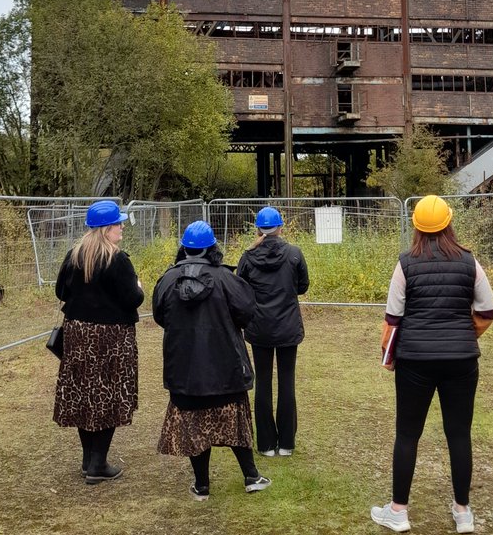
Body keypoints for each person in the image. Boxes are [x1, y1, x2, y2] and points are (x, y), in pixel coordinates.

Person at [371, 195, 493, 535]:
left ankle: (398, 511)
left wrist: (389, 355)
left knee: (407, 434)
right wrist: (464, 335)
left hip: (415, 361)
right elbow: (487, 309)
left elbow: (393, 318)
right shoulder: (470, 262)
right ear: (449, 223)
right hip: (462, 361)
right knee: (459, 434)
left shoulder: (405, 264)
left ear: (416, 226)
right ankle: (463, 512)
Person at [153, 220, 271, 500]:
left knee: (194, 427)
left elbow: (160, 316)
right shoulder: (226, 279)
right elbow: (246, 311)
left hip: (184, 370)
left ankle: (202, 485)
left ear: (184, 248)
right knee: (235, 425)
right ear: (212, 248)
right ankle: (251, 476)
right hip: (225, 366)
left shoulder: (167, 280)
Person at [53, 199, 145, 485]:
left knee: (84, 393)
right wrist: (139, 287)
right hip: (112, 336)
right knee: (109, 394)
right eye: (118, 223)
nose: (121, 228)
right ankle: (97, 463)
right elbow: (133, 298)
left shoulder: (74, 255)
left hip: (78, 334)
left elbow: (61, 291)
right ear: (105, 229)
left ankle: (88, 458)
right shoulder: (118, 260)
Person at [237, 206, 309, 457]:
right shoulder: (294, 254)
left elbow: (241, 290)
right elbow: (302, 286)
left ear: (258, 228)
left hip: (260, 328)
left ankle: (267, 444)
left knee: (263, 383)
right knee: (287, 382)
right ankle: (286, 443)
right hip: (287, 326)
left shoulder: (247, 257)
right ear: (280, 227)